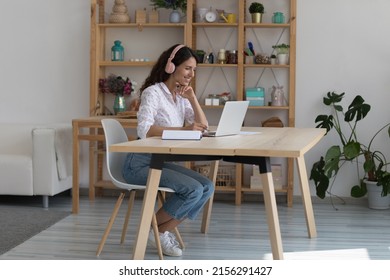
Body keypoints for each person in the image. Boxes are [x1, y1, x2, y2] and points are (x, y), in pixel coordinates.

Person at [122, 44, 214, 257]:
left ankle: (156, 230)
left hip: (159, 161)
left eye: (194, 70)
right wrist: (183, 129)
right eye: (187, 68)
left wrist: (192, 98)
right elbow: (144, 130)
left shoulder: (182, 96)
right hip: (139, 163)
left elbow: (203, 126)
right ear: (171, 66)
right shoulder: (152, 93)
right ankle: (157, 231)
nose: (191, 74)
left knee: (207, 186)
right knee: (193, 190)